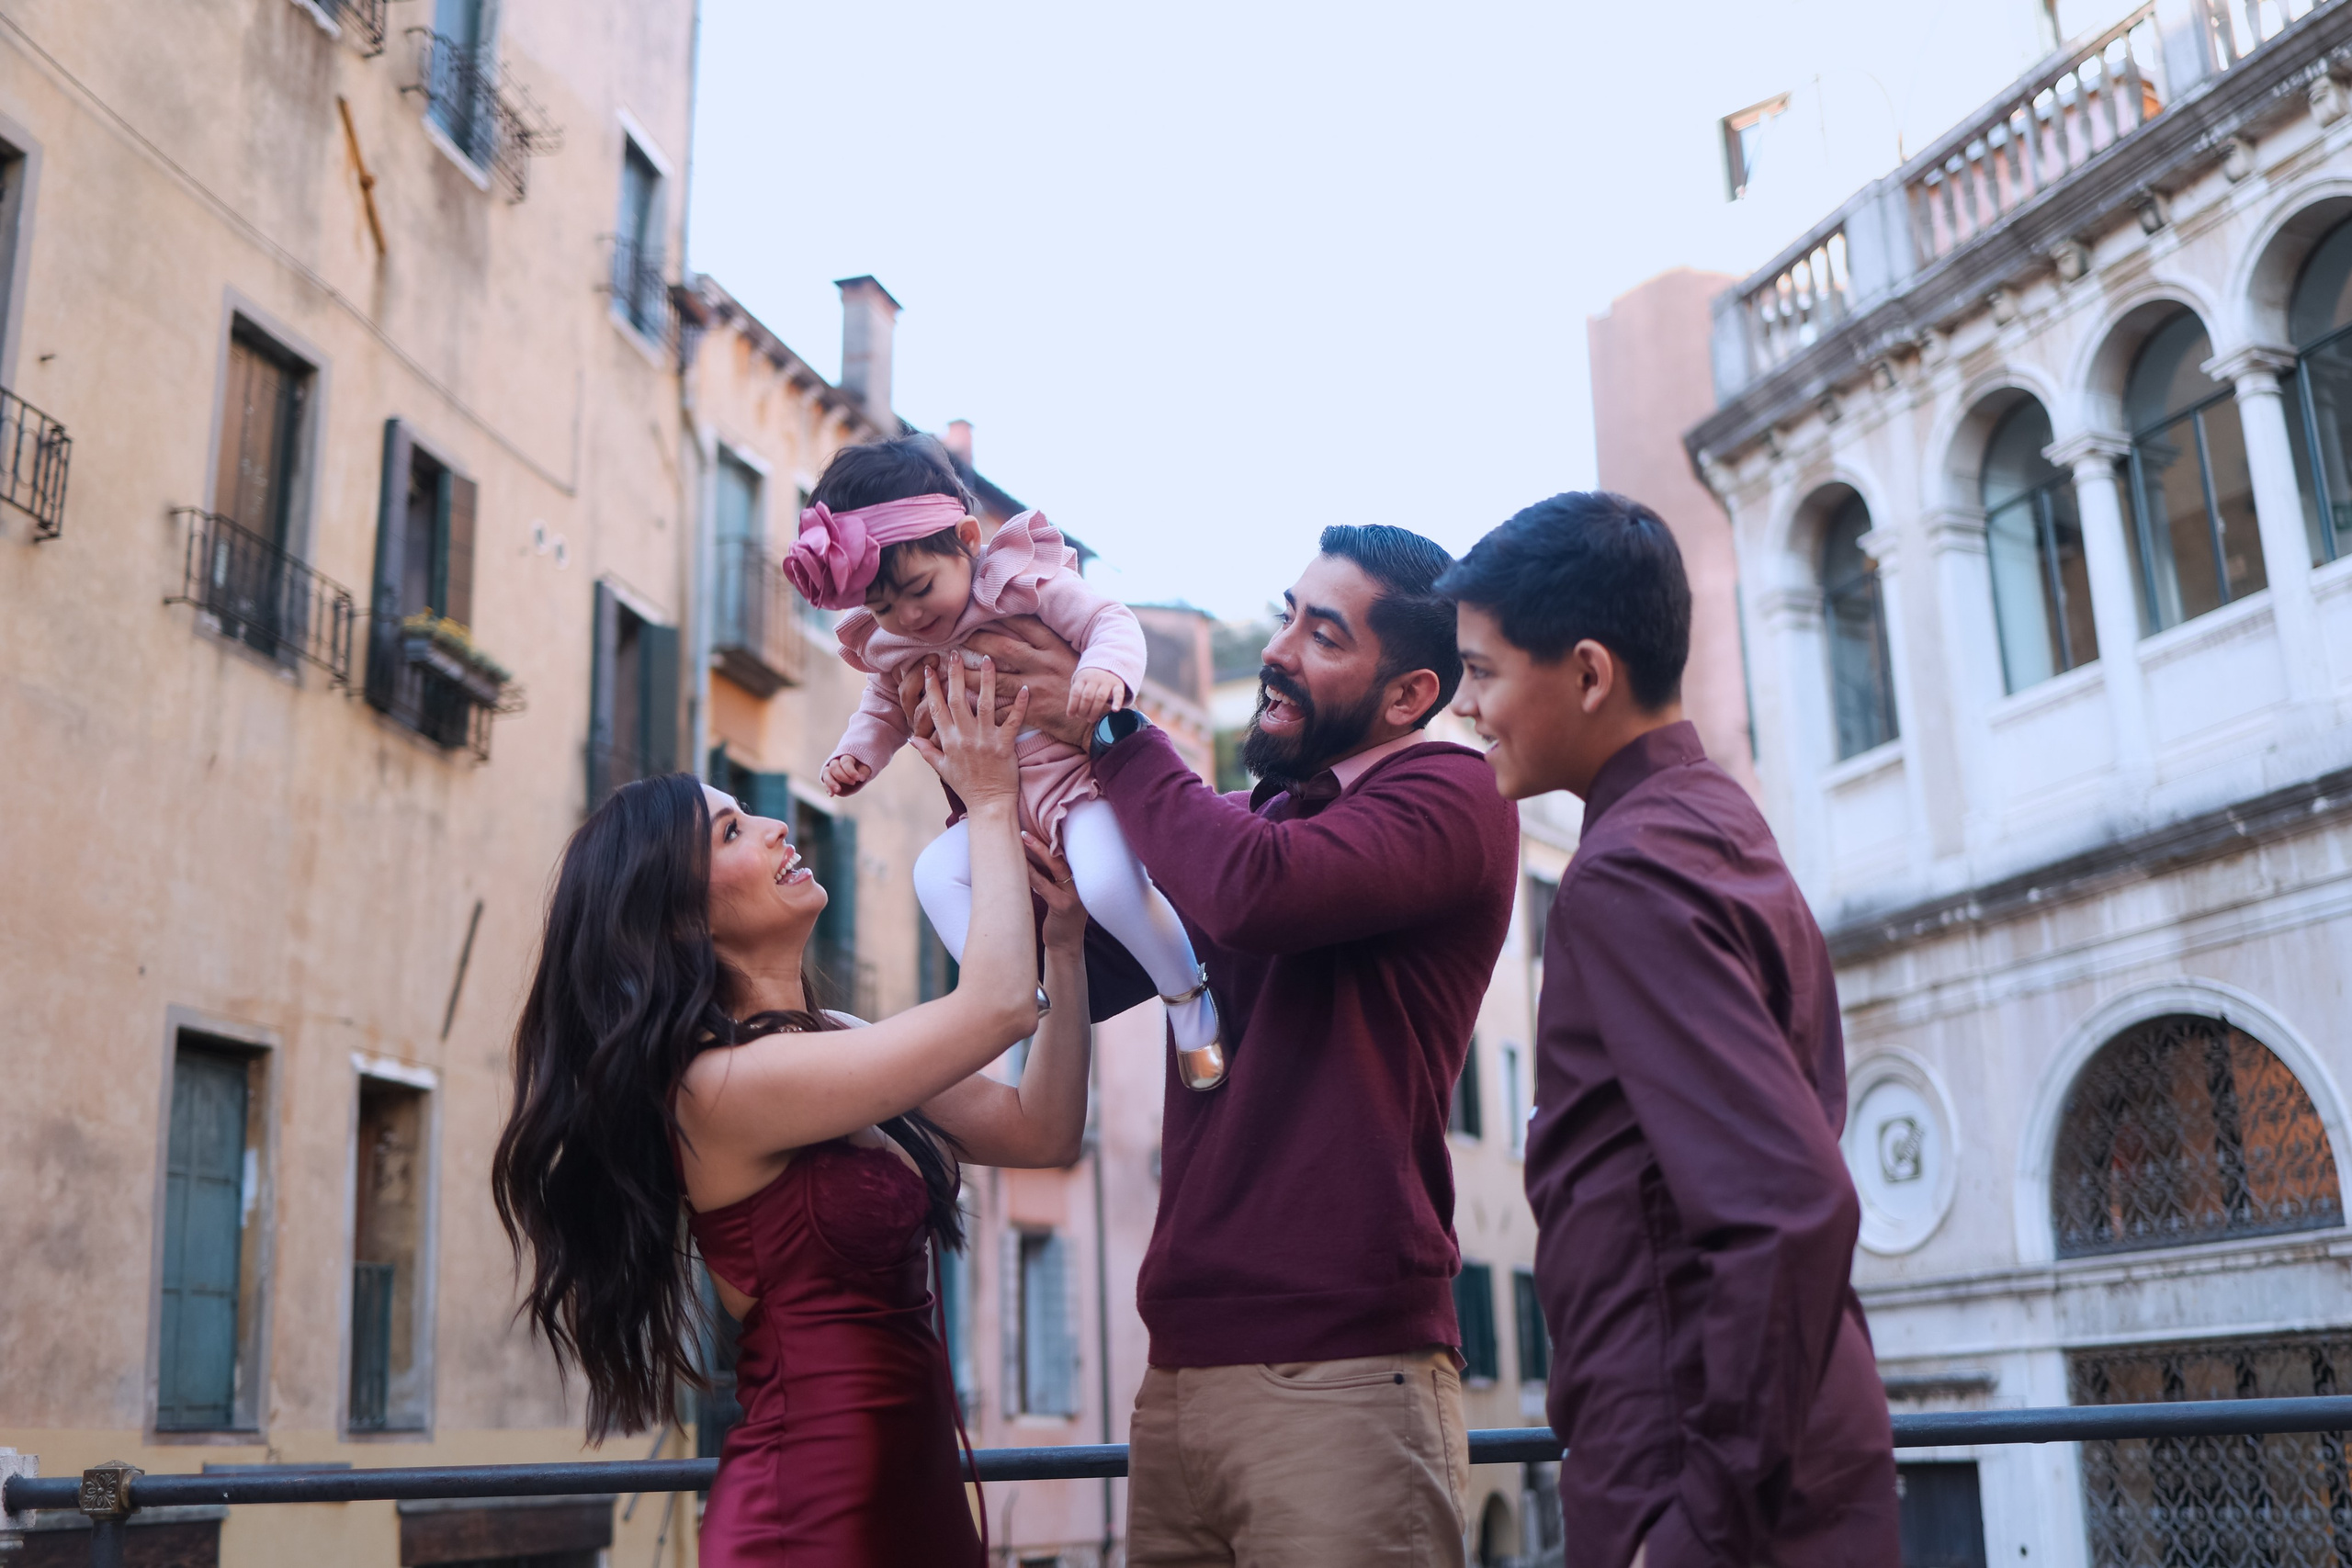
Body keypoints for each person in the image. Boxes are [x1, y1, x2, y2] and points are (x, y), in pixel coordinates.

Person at [905, 525, 1520, 1567]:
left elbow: (1252, 889)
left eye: (1321, 635)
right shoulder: (1249, 823)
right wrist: (1000, 787)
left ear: (1410, 695)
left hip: (1343, 1371)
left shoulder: (1452, 797)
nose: (1278, 649)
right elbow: (1077, 982)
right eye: (1284, 615)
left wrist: (1107, 733)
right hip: (1180, 1370)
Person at [492, 655, 1095, 1567]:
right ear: (681, 922)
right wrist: (988, 798)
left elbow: (1038, 1133)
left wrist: (1066, 948)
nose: (778, 825)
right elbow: (995, 1007)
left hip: (916, 1498)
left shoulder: (833, 1038)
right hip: (805, 1516)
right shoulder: (718, 1086)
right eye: (732, 830)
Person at [1439, 491, 1898, 1568]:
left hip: (1700, 1486)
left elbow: (1789, 1204)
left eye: (1484, 672)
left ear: (1590, 674)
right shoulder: (1715, 820)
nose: (1466, 707)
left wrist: (1693, 1531)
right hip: (1763, 1463)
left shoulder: (1627, 871)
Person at [789, 434, 1224, 1088]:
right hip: (996, 815)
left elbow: (1110, 620)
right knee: (935, 874)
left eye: (917, 589)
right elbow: (883, 706)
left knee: (1108, 883)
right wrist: (857, 755)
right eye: (881, 607)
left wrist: (1103, 672)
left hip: (1074, 787)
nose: (906, 617)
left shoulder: (1019, 585)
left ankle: (1188, 996)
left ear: (967, 538)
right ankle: (1010, 988)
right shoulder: (892, 641)